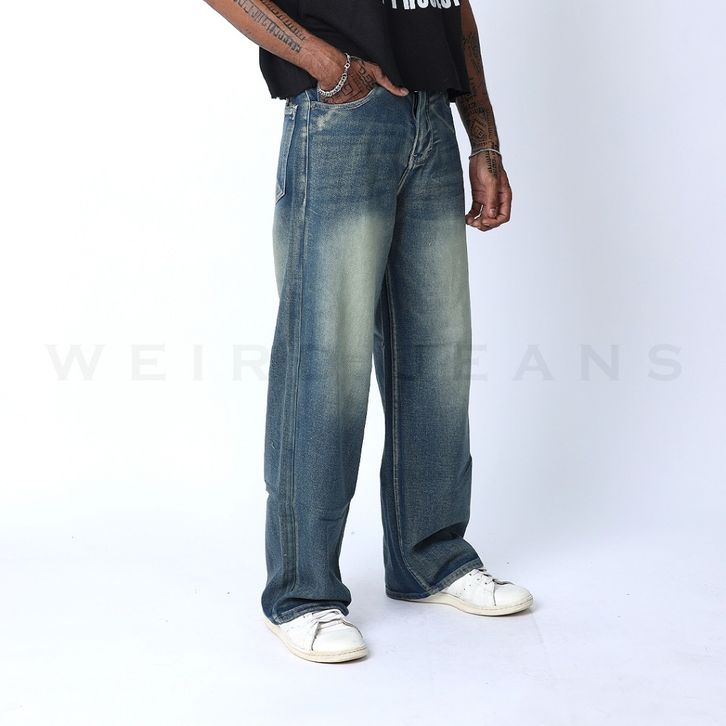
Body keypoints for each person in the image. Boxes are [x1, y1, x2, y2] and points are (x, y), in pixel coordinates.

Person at [203, 0, 534, 663]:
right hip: (341, 113)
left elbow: (458, 13)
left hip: (431, 116)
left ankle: (431, 559)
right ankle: (301, 593)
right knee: (327, 361)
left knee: (436, 358)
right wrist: (323, 61)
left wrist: (485, 140)